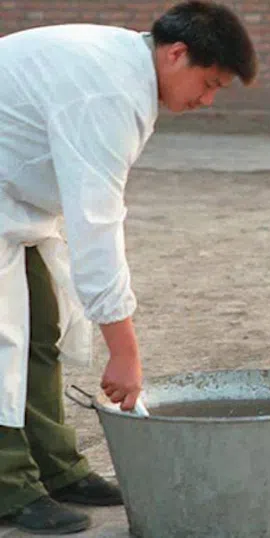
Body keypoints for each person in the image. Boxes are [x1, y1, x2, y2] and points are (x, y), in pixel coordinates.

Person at [0, 2, 256, 534]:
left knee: (39, 328)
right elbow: (95, 224)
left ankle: (55, 467)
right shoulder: (107, 92)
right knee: (3, 339)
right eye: (209, 84)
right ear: (176, 53)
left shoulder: (125, 70)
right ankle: (9, 486)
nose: (207, 100)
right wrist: (124, 351)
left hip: (13, 203)